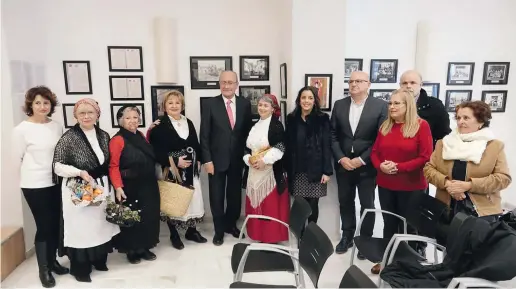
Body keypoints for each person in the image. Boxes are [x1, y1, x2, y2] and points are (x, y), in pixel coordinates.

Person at [52, 98, 120, 283]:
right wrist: (79, 172)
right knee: (82, 229)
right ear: (75, 116)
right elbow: (57, 166)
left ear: (98, 114)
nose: (86, 116)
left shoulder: (104, 135)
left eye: (90, 112)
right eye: (82, 113)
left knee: (99, 225)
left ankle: (98, 260)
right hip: (78, 188)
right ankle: (80, 268)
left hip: (101, 186)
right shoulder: (69, 137)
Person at [369, 88, 433, 274]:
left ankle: (408, 265)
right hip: (386, 184)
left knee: (409, 226)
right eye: (390, 103)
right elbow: (374, 153)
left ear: (408, 105)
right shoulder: (385, 126)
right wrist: (380, 166)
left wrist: (398, 167)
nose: (392, 106)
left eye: (397, 103)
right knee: (389, 223)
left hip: (411, 185)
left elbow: (425, 156)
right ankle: (387, 260)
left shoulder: (422, 126)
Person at [12, 86, 68, 288]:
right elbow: (16, 158)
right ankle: (43, 269)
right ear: (30, 105)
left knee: (55, 224)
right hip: (34, 185)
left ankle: (53, 262)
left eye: (46, 102)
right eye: (38, 103)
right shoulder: (21, 130)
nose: (42, 106)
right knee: (44, 226)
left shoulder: (56, 126)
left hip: (56, 182)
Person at [424, 101, 511, 222]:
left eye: (466, 118)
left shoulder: (494, 146)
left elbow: (503, 178)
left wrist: (469, 186)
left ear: (480, 121)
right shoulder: (443, 143)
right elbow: (428, 170)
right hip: (445, 210)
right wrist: (448, 184)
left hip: (481, 213)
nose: (460, 122)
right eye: (458, 118)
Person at [331, 71, 388, 256]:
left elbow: (380, 139)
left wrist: (361, 159)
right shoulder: (339, 105)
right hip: (344, 164)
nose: (354, 84)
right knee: (345, 201)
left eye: (358, 81)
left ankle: (365, 240)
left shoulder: (380, 106)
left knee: (367, 204)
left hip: (367, 166)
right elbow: (332, 135)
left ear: (368, 84)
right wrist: (342, 158)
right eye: (351, 81)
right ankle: (347, 236)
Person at [200, 70, 253, 246]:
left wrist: (247, 156)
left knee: (234, 196)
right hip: (215, 161)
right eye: (224, 82)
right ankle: (219, 230)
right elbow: (204, 135)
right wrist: (207, 160)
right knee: (216, 196)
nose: (227, 86)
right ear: (219, 84)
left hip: (238, 160)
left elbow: (247, 133)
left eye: (230, 82)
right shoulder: (209, 104)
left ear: (237, 85)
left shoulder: (245, 104)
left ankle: (231, 225)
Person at [149, 90, 207, 249]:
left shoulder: (188, 122)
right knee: (174, 199)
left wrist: (199, 159)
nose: (174, 105)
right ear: (164, 106)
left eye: (177, 103)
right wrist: (175, 161)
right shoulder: (159, 125)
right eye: (170, 103)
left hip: (191, 170)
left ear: (182, 105)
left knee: (192, 198)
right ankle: (174, 234)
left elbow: (195, 143)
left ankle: (192, 231)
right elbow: (156, 150)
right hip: (173, 170)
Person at [108, 105, 161, 264]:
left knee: (148, 216)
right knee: (132, 218)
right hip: (129, 185)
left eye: (135, 117)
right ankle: (132, 250)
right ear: (120, 120)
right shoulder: (117, 140)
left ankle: (144, 247)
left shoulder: (141, 135)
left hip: (148, 183)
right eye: (128, 117)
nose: (132, 121)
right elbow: (113, 165)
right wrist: (118, 186)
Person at [243, 94, 289, 243]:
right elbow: (247, 147)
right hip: (253, 171)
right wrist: (248, 160)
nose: (262, 108)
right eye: (260, 105)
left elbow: (281, 147)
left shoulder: (276, 125)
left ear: (273, 108)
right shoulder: (254, 124)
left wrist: (265, 161)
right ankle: (258, 234)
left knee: (269, 206)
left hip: (270, 173)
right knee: (256, 204)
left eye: (265, 105)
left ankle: (271, 237)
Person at [284, 86, 333, 224]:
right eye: (303, 97)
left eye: (310, 98)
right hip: (297, 170)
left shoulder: (322, 119)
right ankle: (301, 237)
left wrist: (327, 171)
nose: (306, 101)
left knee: (312, 207)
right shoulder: (291, 118)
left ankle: (311, 237)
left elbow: (326, 145)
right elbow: (288, 144)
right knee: (300, 207)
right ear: (299, 100)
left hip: (316, 171)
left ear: (315, 101)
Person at [399, 70, 451, 148]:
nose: (408, 86)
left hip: (426, 153)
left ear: (421, 85)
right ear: (400, 85)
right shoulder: (393, 104)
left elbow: (444, 134)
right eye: (405, 83)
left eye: (413, 83)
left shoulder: (435, 105)